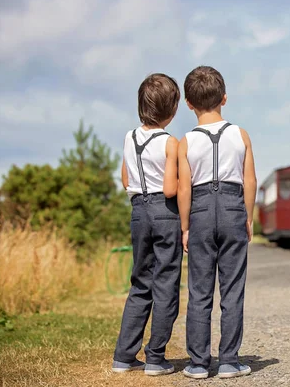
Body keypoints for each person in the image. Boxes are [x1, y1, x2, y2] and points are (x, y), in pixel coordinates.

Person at [177, 66, 257, 379]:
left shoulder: (185, 141)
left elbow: (184, 188)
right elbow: (249, 180)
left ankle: (198, 363)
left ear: (188, 103)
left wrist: (185, 227)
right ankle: (228, 361)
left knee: (199, 290)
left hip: (199, 210)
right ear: (224, 98)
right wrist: (247, 216)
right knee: (232, 289)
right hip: (233, 207)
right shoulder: (241, 135)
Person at [112, 73, 183, 376]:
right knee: (166, 283)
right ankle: (155, 357)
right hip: (164, 212)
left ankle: (124, 356)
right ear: (173, 109)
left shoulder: (129, 137)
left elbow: (126, 178)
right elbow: (170, 189)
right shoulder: (170, 143)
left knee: (140, 282)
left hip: (138, 212)